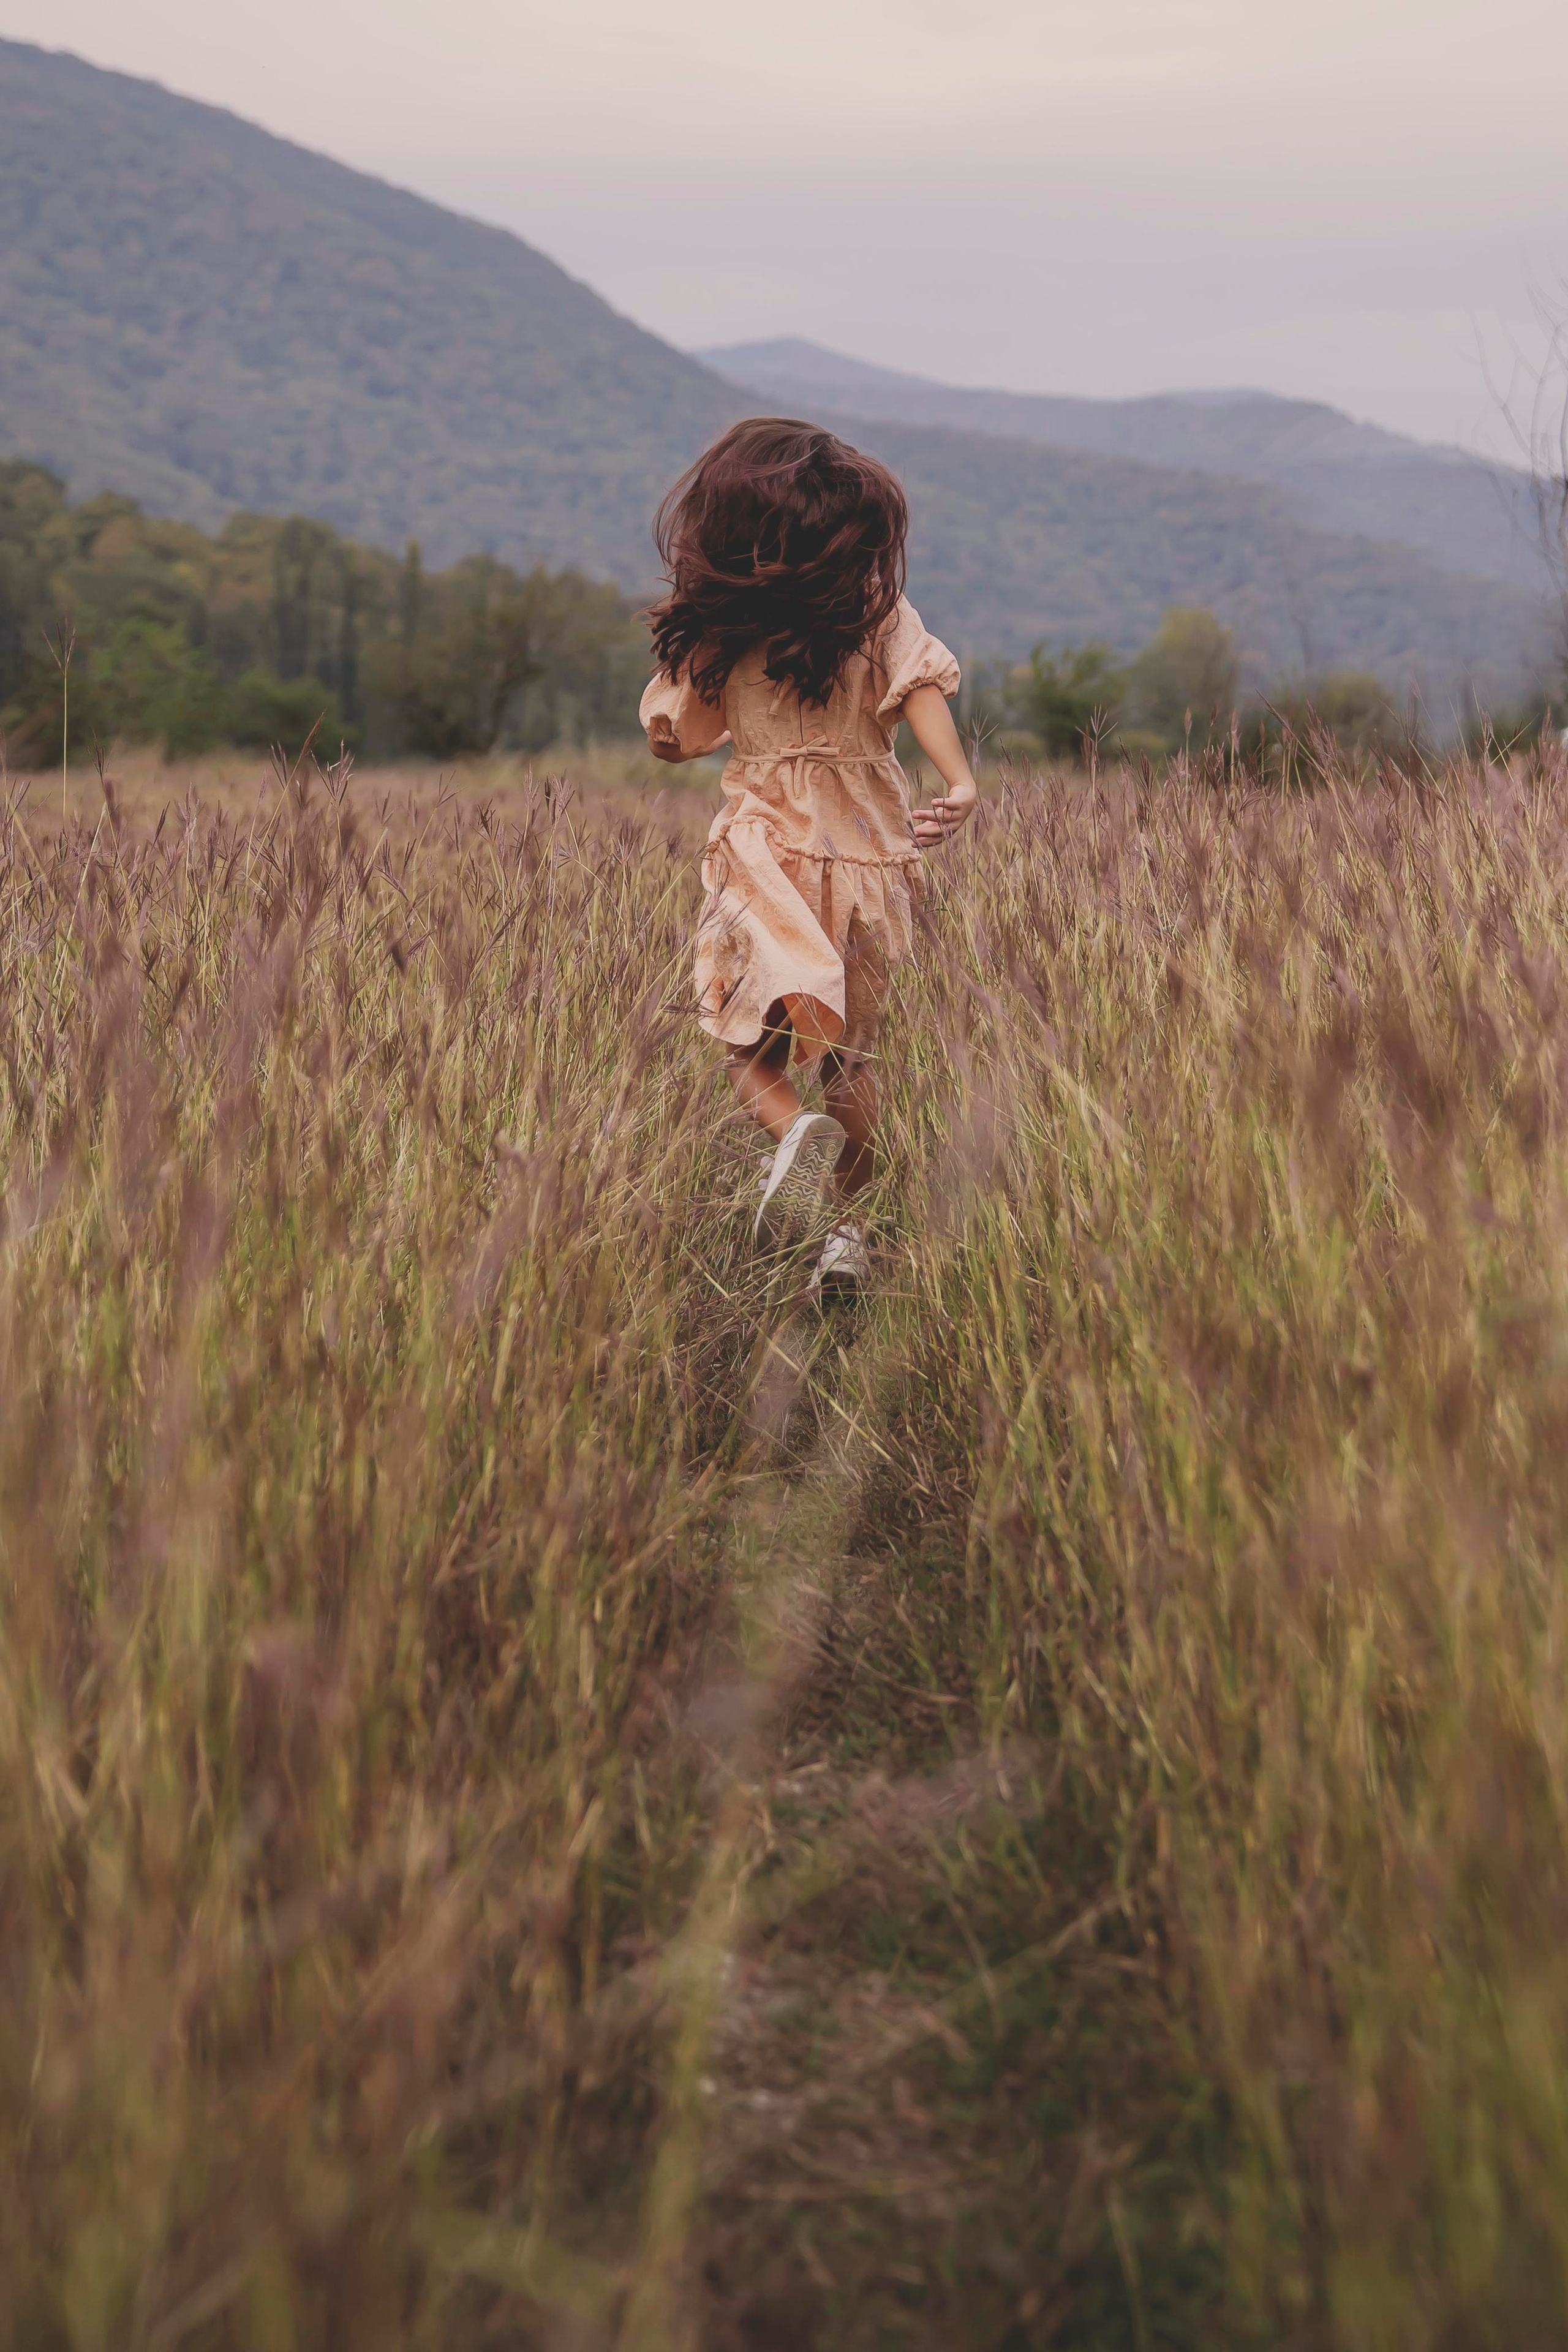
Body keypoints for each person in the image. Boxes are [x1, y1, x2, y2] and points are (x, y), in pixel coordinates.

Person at [640, 417, 978, 1297]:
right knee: (852, 1061)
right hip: (867, 856)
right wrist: (960, 782)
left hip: (766, 854)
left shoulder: (729, 629)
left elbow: (675, 738)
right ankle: (849, 1237)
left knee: (749, 1044)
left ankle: (792, 1138)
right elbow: (924, 686)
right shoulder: (875, 614)